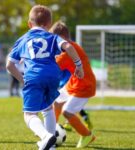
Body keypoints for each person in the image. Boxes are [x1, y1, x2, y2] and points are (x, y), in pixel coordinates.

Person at [6, 5, 84, 150]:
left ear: (29, 24)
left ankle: (45, 136)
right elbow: (68, 46)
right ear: (49, 24)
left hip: (34, 76)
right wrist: (79, 65)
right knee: (48, 108)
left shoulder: (23, 39)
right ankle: (51, 146)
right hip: (53, 76)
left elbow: (9, 65)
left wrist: (22, 80)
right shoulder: (53, 37)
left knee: (29, 114)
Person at [49, 21, 96, 148]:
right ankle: (50, 130)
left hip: (84, 87)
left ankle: (87, 135)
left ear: (62, 38)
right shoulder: (71, 46)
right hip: (74, 83)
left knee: (67, 112)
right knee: (57, 102)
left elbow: (53, 67)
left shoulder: (68, 51)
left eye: (55, 40)